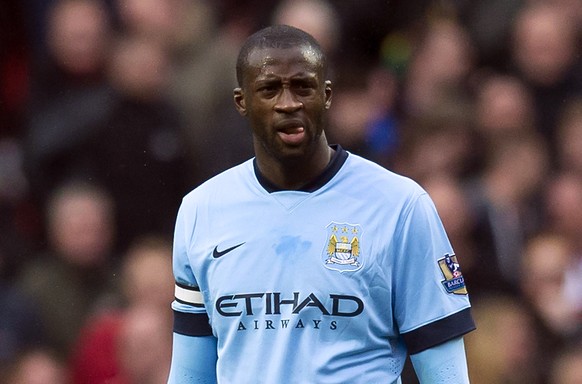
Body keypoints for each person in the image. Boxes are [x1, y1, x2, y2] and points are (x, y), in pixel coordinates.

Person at [168, 25, 475, 383]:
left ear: (326, 95)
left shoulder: (401, 206)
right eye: (269, 89)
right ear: (242, 102)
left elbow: (447, 374)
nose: (288, 103)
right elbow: (190, 375)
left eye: (303, 87)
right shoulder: (201, 211)